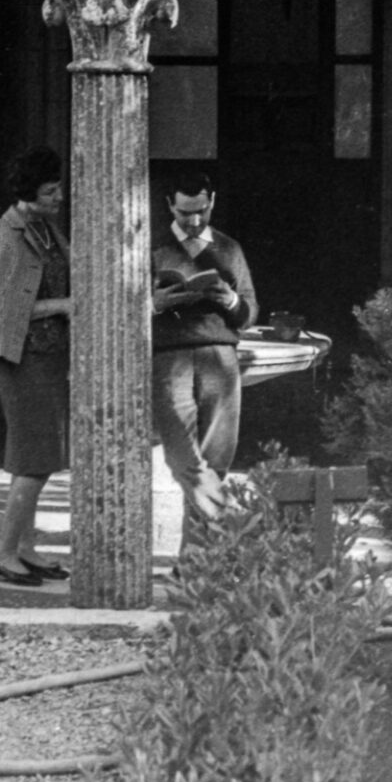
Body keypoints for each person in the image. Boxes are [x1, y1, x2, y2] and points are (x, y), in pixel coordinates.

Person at [0, 146, 74, 587]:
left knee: (43, 457)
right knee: (33, 459)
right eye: (51, 190)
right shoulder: (0, 236)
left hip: (49, 357)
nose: (60, 196)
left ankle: (26, 548)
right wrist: (65, 305)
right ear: (29, 193)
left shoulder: (48, 229)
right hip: (19, 358)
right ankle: (4, 552)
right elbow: (6, 313)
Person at [150, 171, 257, 530]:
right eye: (184, 213)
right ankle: (243, 526)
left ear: (212, 202)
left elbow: (248, 312)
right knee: (184, 459)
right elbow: (122, 311)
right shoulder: (151, 246)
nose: (194, 221)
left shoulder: (229, 248)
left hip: (221, 359)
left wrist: (230, 299)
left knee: (216, 461)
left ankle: (194, 564)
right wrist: (153, 303)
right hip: (170, 358)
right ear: (169, 206)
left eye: (202, 211)